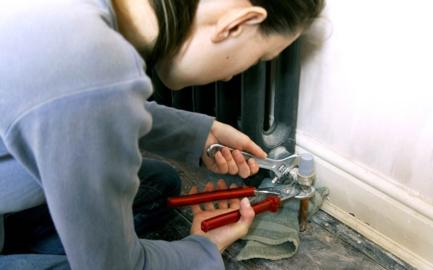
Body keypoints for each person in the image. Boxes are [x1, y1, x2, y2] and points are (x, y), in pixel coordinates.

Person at [0, 0, 324, 269]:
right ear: (237, 23)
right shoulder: (90, 67)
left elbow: (73, 107)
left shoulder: (73, 23)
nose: (230, 78)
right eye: (259, 58)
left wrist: (197, 132)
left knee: (159, 185)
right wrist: (203, 249)